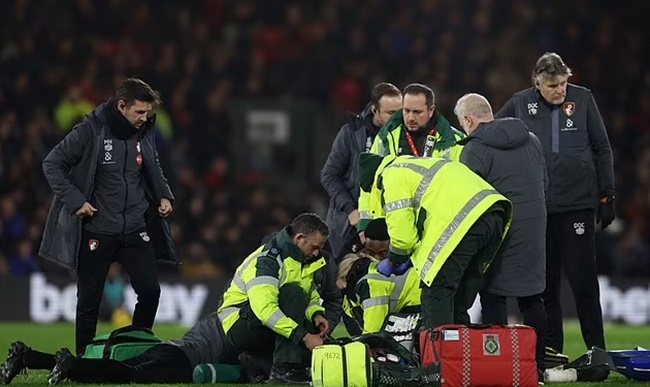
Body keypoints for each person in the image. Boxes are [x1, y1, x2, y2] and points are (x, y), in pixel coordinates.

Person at [39, 78, 177, 356]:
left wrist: (164, 195)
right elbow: (52, 163)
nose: (144, 118)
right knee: (89, 301)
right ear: (122, 106)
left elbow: (152, 164)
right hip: (98, 228)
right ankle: (82, 361)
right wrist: (76, 201)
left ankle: (138, 352)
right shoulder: (90, 131)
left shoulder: (144, 131)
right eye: (139, 112)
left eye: (147, 114)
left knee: (150, 292)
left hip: (135, 227)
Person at [495, 53, 615, 355]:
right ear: (537, 83)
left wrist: (607, 194)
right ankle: (552, 354)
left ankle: (596, 352)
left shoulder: (583, 99)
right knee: (545, 287)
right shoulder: (520, 103)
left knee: (584, 283)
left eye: (563, 83)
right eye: (552, 86)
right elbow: (491, 133)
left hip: (577, 205)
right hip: (538, 211)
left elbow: (602, 147)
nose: (560, 90)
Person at [357, 153, 512, 329]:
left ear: (373, 183)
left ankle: (441, 354)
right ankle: (463, 351)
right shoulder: (417, 165)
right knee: (459, 296)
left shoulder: (390, 175)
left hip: (462, 222)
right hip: (494, 213)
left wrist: (393, 260)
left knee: (435, 292)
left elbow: (403, 238)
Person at [454, 93, 548, 380]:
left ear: (469, 120)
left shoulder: (475, 149)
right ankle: (538, 365)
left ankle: (501, 363)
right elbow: (544, 183)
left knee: (493, 294)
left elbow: (468, 199)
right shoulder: (531, 139)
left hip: (500, 231)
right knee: (532, 298)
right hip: (534, 227)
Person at [217, 213, 330, 385]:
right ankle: (283, 371)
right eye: (315, 247)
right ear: (300, 238)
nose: (317, 253)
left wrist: (316, 314)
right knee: (293, 294)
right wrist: (305, 337)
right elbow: (266, 311)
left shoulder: (301, 259)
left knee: (307, 320)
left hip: (258, 320)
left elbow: (310, 294)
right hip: (239, 323)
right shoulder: (267, 261)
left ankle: (288, 368)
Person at [0, 313, 241, 385]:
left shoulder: (220, 316)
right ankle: (71, 366)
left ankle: (28, 357)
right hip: (181, 362)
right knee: (129, 374)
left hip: (172, 348)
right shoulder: (241, 336)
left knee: (125, 369)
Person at [357, 83, 465, 239]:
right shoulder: (385, 138)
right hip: (394, 226)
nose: (410, 118)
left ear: (431, 111)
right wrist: (365, 222)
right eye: (406, 111)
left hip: (437, 228)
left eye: (417, 112)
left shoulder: (455, 141)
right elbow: (369, 181)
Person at [321, 82, 402, 259]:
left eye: (400, 112)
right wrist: (351, 210)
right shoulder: (351, 133)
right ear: (375, 110)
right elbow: (329, 176)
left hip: (388, 226)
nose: (398, 119)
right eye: (391, 113)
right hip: (348, 226)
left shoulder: (405, 138)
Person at [337, 253, 421, 335]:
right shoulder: (365, 279)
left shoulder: (369, 284)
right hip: (418, 296)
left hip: (418, 299)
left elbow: (373, 330)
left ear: (342, 276)